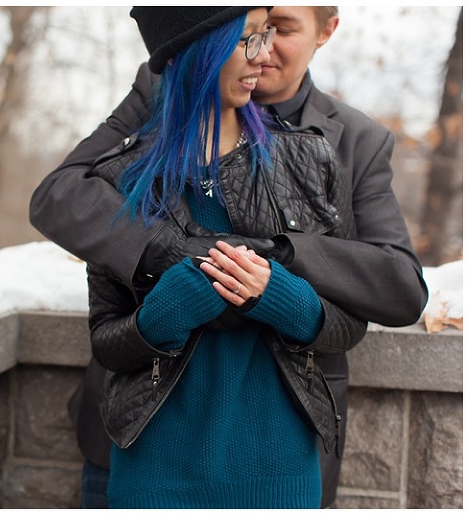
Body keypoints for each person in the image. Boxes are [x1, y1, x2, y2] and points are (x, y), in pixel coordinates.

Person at [29, 5, 428, 509]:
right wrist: (175, 256)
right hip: (143, 441)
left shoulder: (344, 144)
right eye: (252, 34)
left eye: (278, 30)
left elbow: (397, 288)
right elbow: (62, 193)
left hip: (278, 450)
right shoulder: (160, 88)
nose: (263, 53)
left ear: (326, 32)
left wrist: (276, 260)